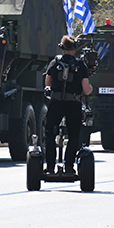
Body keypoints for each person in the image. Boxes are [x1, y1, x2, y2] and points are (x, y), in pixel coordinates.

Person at [43, 35, 93, 175]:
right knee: (74, 136)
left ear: (62, 48)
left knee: (49, 134)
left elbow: (48, 83)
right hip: (73, 104)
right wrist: (91, 87)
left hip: (56, 103)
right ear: (75, 49)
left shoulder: (55, 62)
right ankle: (69, 168)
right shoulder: (80, 65)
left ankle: (50, 167)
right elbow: (86, 90)